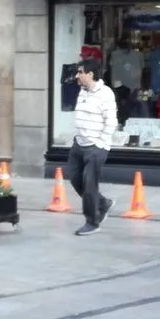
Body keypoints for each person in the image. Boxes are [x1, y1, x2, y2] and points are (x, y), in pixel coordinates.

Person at [66, 57, 118, 236]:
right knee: (74, 178)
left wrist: (100, 144)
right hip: (79, 144)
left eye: (80, 72)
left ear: (90, 74)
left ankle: (92, 222)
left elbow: (111, 122)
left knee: (89, 184)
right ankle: (103, 203)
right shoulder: (83, 91)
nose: (77, 76)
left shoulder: (105, 93)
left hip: (95, 147)